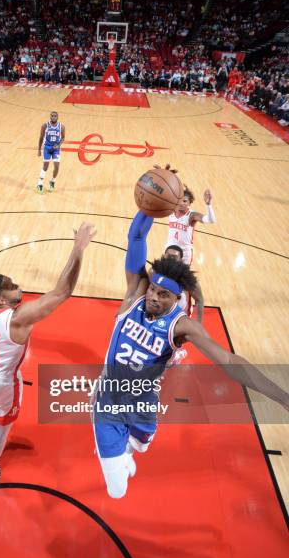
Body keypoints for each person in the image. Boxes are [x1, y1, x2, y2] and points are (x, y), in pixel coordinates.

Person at [92, 211, 288, 499]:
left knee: (140, 445)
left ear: (178, 299)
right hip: (108, 398)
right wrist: (147, 208)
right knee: (117, 491)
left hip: (143, 400)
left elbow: (230, 362)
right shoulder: (135, 294)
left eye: (163, 295)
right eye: (154, 290)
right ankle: (119, 454)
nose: (154, 298)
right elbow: (135, 237)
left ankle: (129, 448)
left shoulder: (181, 326)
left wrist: (282, 397)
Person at [0, 222, 96, 488]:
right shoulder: (18, 318)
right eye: (10, 285)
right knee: (2, 426)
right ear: (0, 300)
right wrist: (79, 247)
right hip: (2, 382)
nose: (16, 284)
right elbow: (62, 292)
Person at [166, 178, 215, 266]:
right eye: (180, 200)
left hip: (185, 253)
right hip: (169, 249)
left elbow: (211, 220)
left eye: (185, 201)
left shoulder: (191, 215)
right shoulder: (171, 210)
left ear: (189, 203)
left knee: (180, 278)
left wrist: (208, 205)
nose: (181, 203)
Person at [37, 111, 65, 194]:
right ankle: (40, 183)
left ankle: (52, 181)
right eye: (52, 116)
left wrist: (59, 145)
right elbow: (41, 138)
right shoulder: (45, 126)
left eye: (55, 116)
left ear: (57, 117)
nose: (53, 117)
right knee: (45, 166)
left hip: (56, 149)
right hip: (47, 148)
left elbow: (63, 138)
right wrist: (39, 150)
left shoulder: (61, 126)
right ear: (50, 117)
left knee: (56, 167)